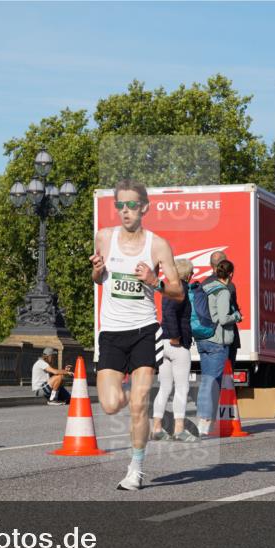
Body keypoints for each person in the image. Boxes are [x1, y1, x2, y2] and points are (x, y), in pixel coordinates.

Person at [91, 180, 183, 491]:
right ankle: (138, 402)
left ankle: (136, 467)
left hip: (145, 330)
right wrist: (95, 270)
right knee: (110, 404)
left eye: (131, 205)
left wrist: (154, 280)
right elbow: (98, 277)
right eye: (120, 205)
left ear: (144, 207)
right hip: (112, 332)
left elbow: (178, 291)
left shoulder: (157, 245)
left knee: (140, 403)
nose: (125, 211)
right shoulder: (104, 238)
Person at [150, 258, 197, 443]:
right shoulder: (181, 289)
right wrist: (176, 336)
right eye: (191, 272)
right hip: (176, 343)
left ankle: (157, 428)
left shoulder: (168, 288)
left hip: (163, 342)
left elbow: (167, 312)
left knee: (165, 387)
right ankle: (179, 430)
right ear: (187, 274)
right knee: (182, 388)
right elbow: (171, 314)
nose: (193, 275)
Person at [195, 260, 241, 435]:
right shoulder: (223, 292)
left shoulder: (207, 288)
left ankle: (203, 418)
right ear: (231, 274)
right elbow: (223, 318)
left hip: (203, 338)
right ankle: (205, 421)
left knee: (207, 379)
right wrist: (236, 315)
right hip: (216, 340)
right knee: (213, 381)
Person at [201, 250, 241, 366]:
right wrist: (237, 316)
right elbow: (230, 312)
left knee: (209, 374)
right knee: (225, 376)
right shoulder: (228, 286)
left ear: (210, 265)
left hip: (206, 335)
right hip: (224, 337)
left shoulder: (204, 284)